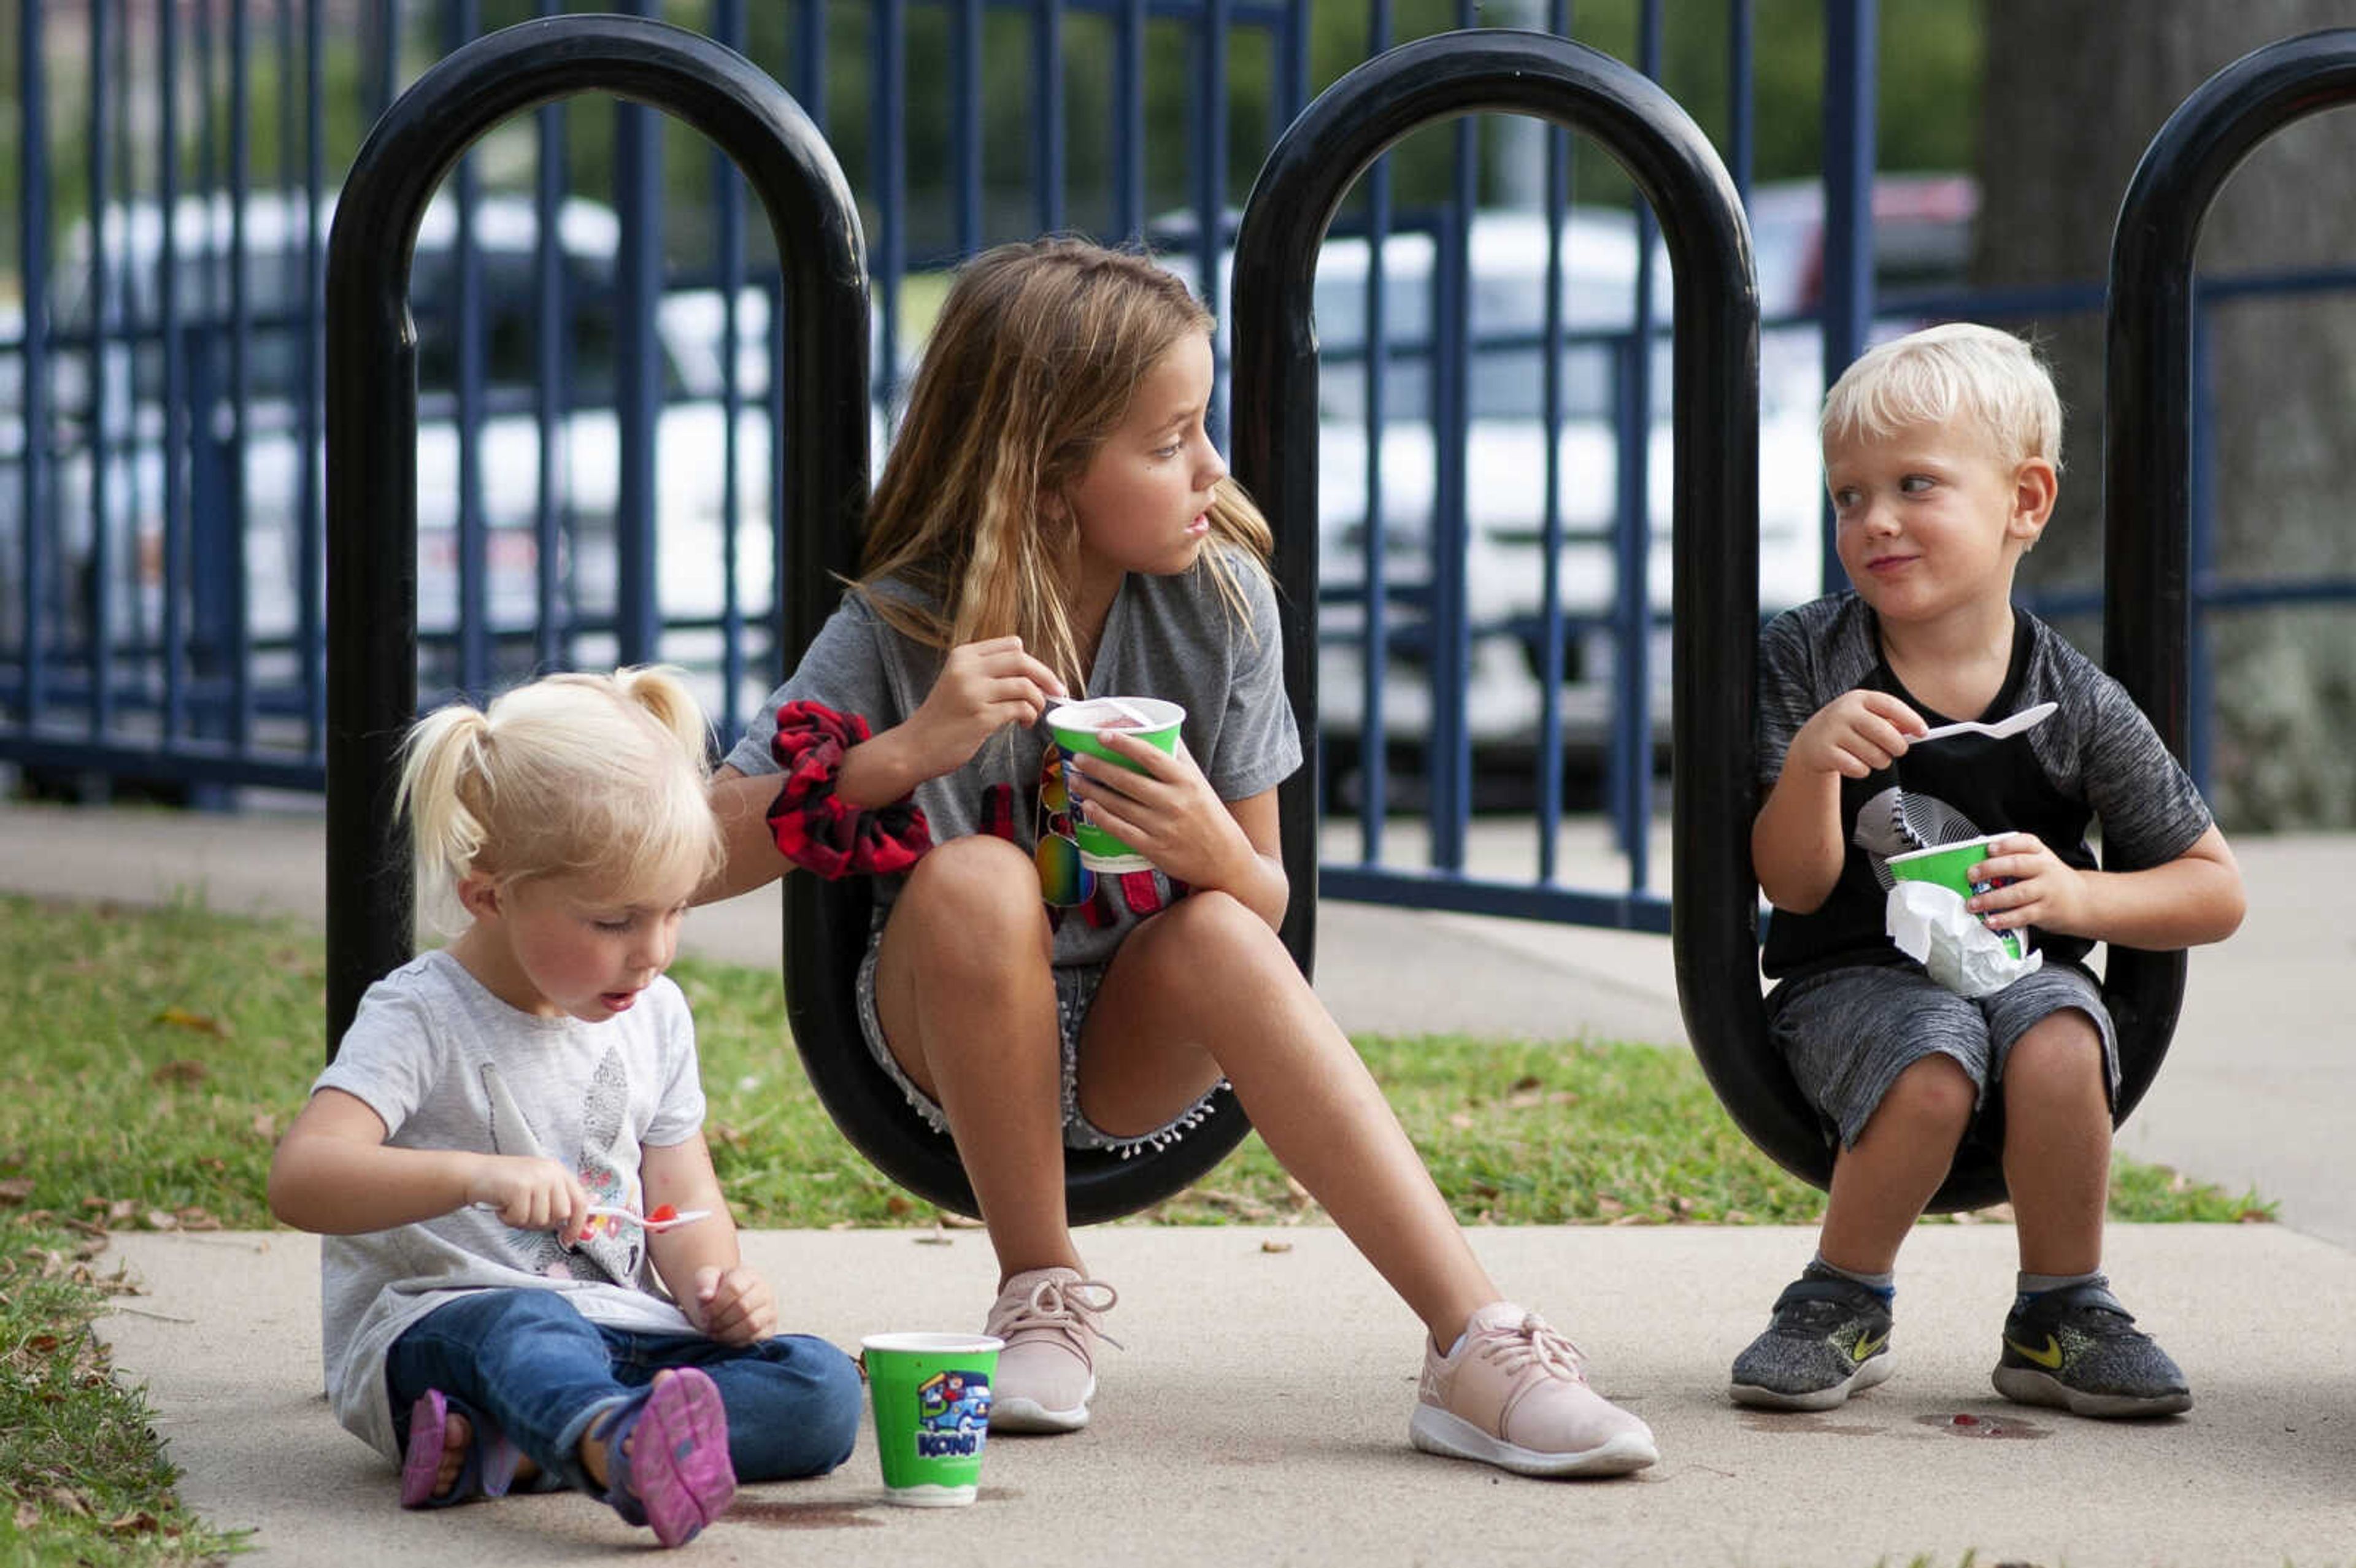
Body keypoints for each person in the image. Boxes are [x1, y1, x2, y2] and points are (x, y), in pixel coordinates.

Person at [704, 237, 1655, 1479]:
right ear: (1049, 477)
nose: (1212, 468)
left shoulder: (1218, 605)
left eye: (1202, 428)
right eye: (1170, 443)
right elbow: (694, 852)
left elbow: (1263, 903)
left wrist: (1212, 845)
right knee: (979, 876)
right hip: (951, 1028)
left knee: (1216, 926)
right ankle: (1040, 1286)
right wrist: (907, 749)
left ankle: (1478, 1344)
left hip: (1134, 1053)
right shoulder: (901, 627)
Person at [1733, 323, 2246, 1418]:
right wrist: (1814, 765)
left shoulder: (2073, 697)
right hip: (1847, 988)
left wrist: (2077, 898)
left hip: (2022, 977)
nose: (1873, 521)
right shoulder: (1810, 659)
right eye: (1847, 496)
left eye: (1916, 485)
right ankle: (1839, 1297)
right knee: (1932, 1053)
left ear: (2025, 502)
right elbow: (1796, 884)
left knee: (2062, 1029)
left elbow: (2213, 888)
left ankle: (2062, 1308)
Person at [269, 668, 861, 1547]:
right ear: (491, 896)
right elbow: (302, 1180)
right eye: (614, 922)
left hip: (623, 1332)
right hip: (443, 1325)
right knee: (529, 1327)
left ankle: (510, 1449)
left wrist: (710, 1290)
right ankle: (609, 1445)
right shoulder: (421, 1014)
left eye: (672, 913)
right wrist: (474, 1176)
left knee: (822, 1388)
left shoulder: (655, 1014)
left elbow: (683, 1196)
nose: (652, 953)